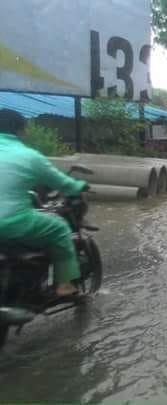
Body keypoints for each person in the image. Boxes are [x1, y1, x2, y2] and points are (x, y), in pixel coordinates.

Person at [0, 109, 87, 297]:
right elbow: (62, 183)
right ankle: (64, 285)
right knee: (60, 228)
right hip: (11, 222)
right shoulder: (28, 155)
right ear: (21, 131)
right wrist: (78, 186)